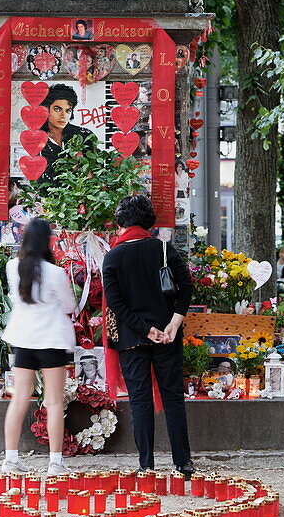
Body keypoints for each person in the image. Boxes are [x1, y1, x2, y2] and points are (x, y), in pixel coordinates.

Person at [101, 194, 195, 475]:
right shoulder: (164, 249)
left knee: (140, 400)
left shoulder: (113, 256)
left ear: (122, 223)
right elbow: (186, 286)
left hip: (133, 338)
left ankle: (146, 464)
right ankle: (183, 462)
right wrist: (173, 324)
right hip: (168, 335)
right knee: (173, 398)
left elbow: (116, 304)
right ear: (148, 221)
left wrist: (144, 329)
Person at [0, 218, 76, 475]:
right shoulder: (55, 273)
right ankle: (55, 462)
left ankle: (11, 459)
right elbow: (69, 306)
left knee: (19, 398)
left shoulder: (13, 267)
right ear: (47, 241)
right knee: (54, 401)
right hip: (51, 340)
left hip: (23, 338)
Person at [39, 83, 95, 180]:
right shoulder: (35, 139)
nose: (63, 115)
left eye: (68, 110)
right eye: (57, 109)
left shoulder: (84, 135)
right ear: (46, 109)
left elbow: (95, 172)